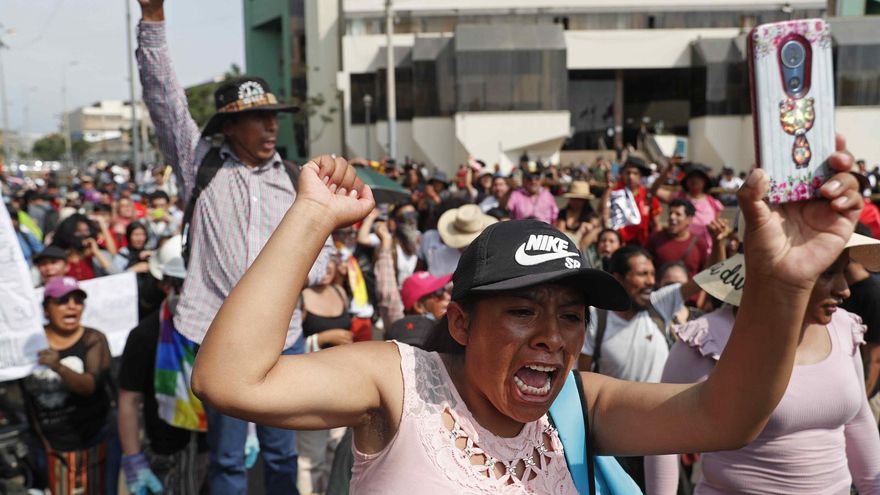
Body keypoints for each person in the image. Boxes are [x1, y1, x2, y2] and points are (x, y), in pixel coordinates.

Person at [192, 147, 863, 493]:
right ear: (458, 322)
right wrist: (310, 214)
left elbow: (728, 415)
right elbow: (229, 380)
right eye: (520, 310)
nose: (552, 335)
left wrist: (782, 279)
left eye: (571, 315)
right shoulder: (398, 382)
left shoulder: (577, 400)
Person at [136, 1, 332, 492]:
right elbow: (165, 100)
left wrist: (313, 268)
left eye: (273, 116)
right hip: (215, 329)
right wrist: (154, 21)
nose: (271, 127)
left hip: (282, 333)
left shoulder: (295, 180)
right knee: (225, 459)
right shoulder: (198, 164)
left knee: (281, 453)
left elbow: (320, 256)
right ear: (227, 125)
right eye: (258, 118)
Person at [645, 242, 880, 495]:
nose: (844, 290)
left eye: (844, 271)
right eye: (827, 274)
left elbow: (858, 420)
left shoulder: (844, 327)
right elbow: (662, 439)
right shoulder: (707, 339)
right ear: (778, 271)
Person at [117, 253, 208, 495]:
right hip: (166, 452)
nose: (187, 294)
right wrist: (133, 458)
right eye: (179, 285)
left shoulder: (217, 329)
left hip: (211, 449)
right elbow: (128, 399)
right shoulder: (145, 335)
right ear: (164, 284)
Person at [21, 277, 112, 495]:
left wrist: (58, 367)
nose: (72, 305)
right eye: (62, 300)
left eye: (78, 300)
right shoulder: (30, 342)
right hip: (47, 445)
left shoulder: (94, 339)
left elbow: (90, 386)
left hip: (91, 441)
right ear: (46, 310)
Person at [298, 253, 352, 494]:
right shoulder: (300, 295)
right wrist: (321, 339)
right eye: (319, 260)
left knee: (336, 451)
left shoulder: (341, 292)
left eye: (330, 260)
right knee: (311, 461)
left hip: (341, 385)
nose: (327, 267)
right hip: (309, 387)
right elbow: (288, 344)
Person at [651, 162, 723, 255]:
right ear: (686, 180)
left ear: (705, 181)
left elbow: (716, 230)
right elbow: (654, 191)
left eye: (698, 177)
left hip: (705, 252)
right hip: (680, 250)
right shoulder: (678, 197)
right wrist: (666, 172)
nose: (695, 180)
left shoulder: (713, 203)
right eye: (691, 177)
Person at [604, 156, 660, 246]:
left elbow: (656, 225)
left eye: (635, 173)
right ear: (622, 174)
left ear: (640, 176)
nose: (631, 176)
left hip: (642, 245)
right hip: (617, 244)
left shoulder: (647, 196)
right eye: (628, 173)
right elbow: (603, 213)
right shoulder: (614, 193)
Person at [645, 198, 709, 277]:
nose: (672, 217)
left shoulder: (699, 243)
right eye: (670, 213)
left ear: (689, 219)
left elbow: (705, 271)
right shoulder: (655, 239)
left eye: (678, 214)